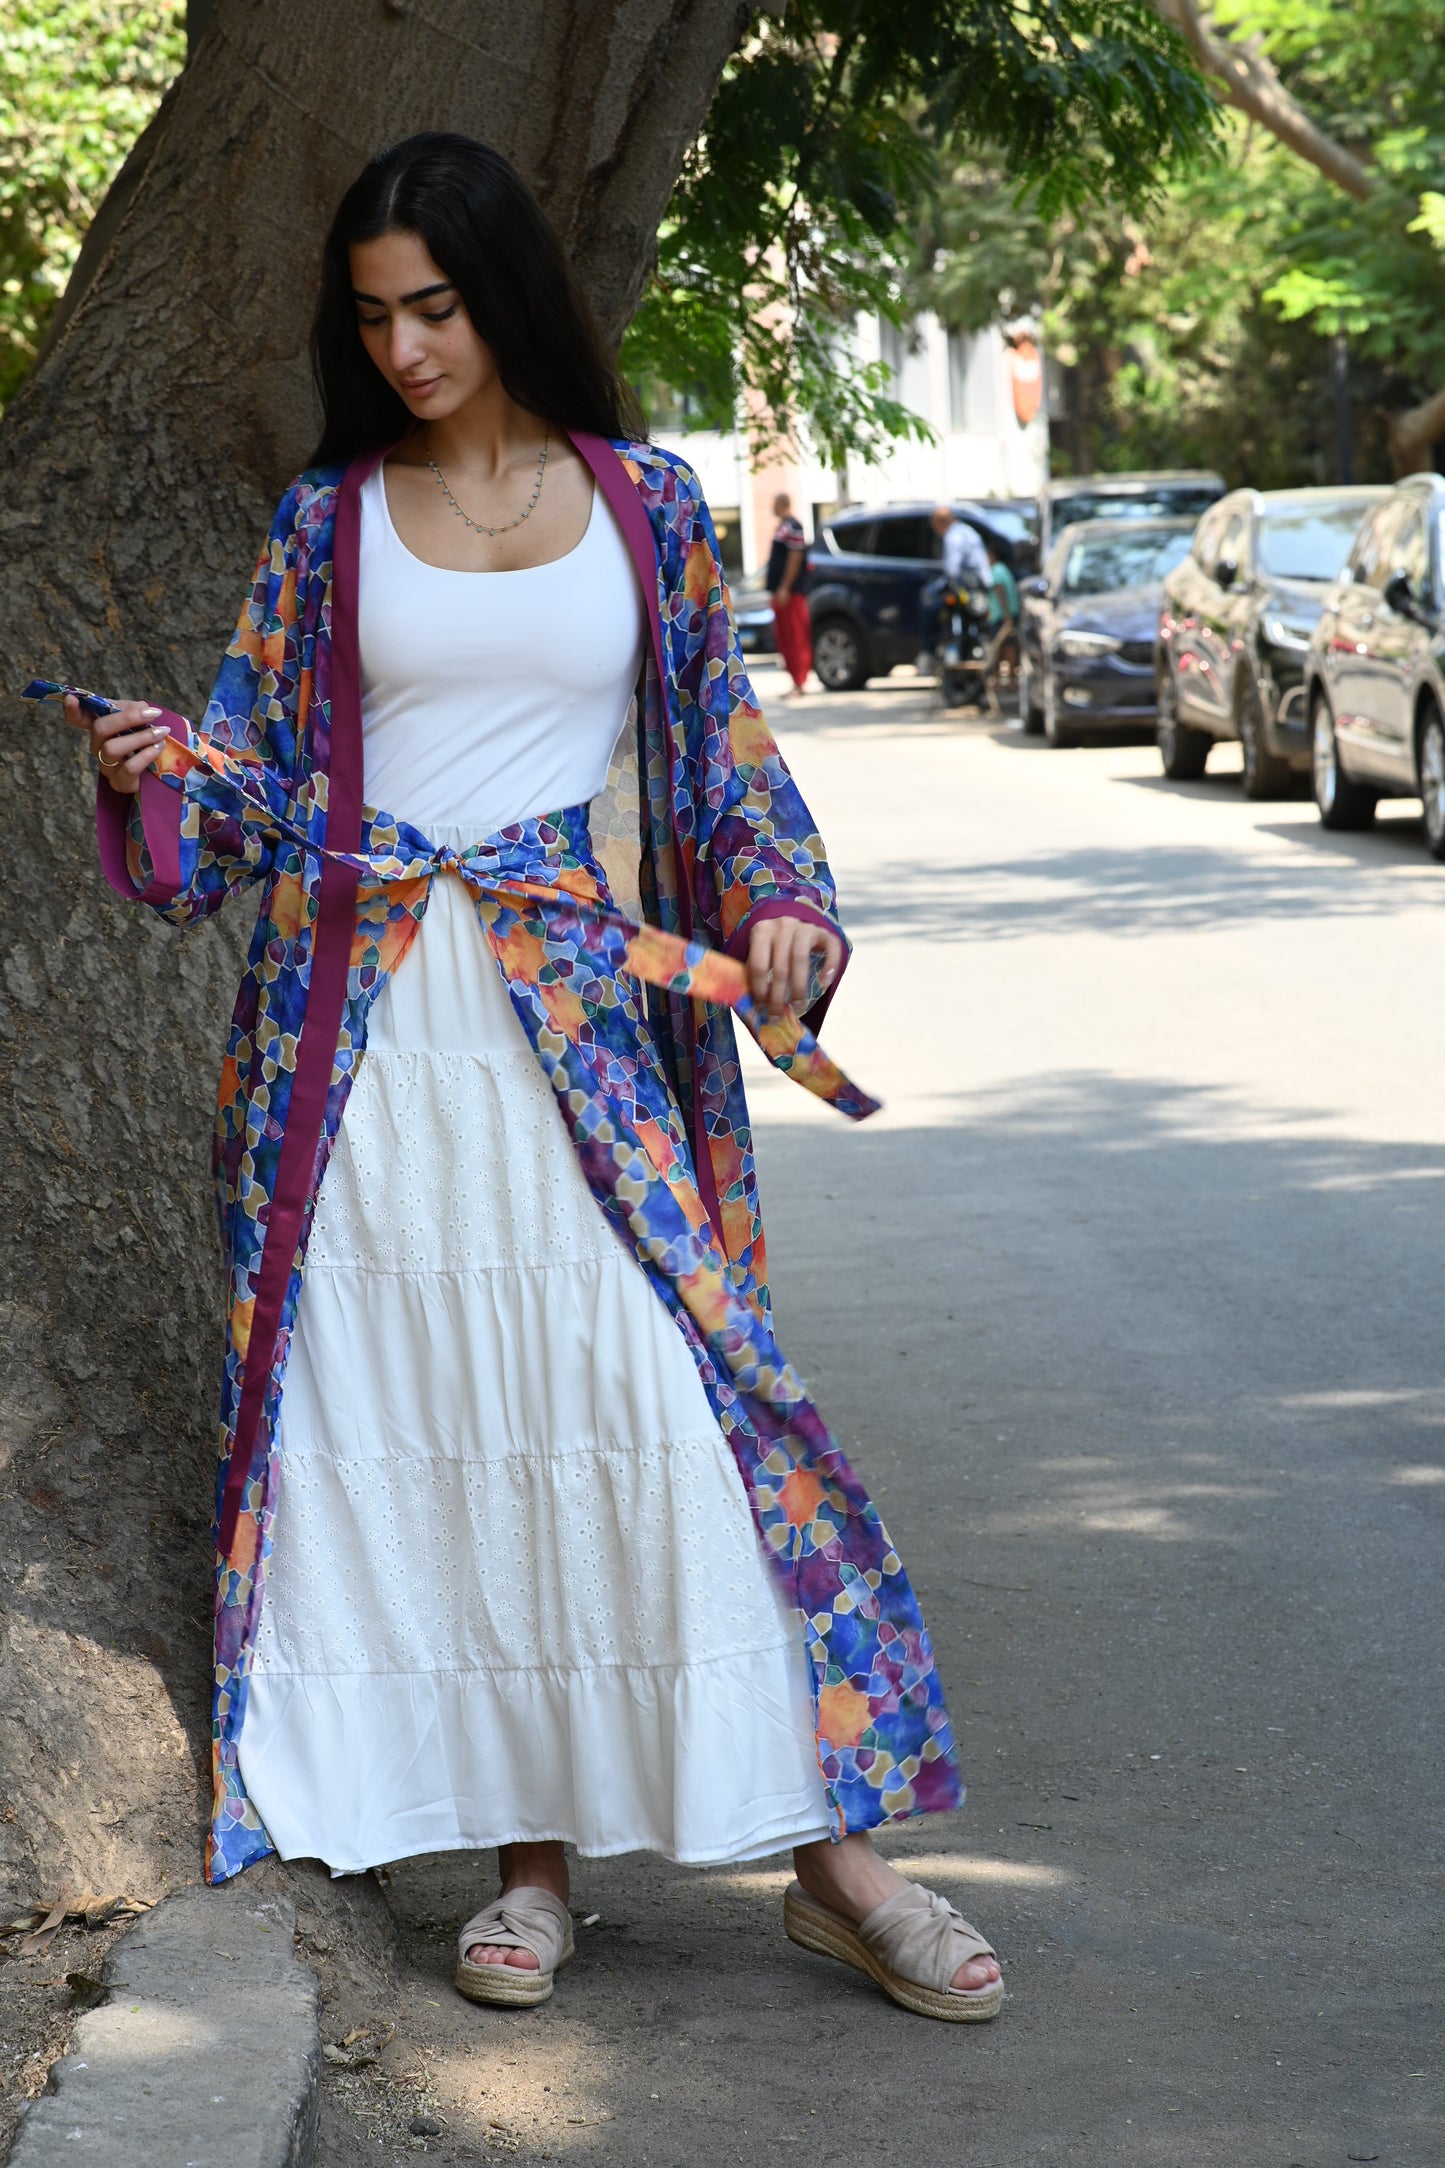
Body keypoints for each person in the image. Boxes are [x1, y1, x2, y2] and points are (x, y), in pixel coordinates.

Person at [63, 132, 1001, 2024]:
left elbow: (727, 771)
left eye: (437, 305)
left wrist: (793, 921)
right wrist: (154, 774)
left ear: (505, 295)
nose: (406, 347)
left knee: (670, 1414)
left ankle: (838, 1861)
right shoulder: (326, 527)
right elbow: (243, 803)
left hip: (585, 1030)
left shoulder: (648, 502)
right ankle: (526, 1868)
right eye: (374, 317)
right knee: (456, 1436)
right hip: (359, 1062)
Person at [918, 504, 991, 669]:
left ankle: (927, 651)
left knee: (926, 598)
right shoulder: (969, 532)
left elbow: (952, 571)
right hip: (980, 590)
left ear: (937, 524)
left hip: (964, 590)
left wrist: (940, 587)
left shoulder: (952, 537)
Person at [767, 492, 812, 696]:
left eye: (775, 503)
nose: (772, 507)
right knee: (784, 638)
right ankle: (795, 681)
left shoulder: (794, 526)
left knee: (796, 637)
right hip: (780, 593)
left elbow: (795, 557)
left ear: (782, 504)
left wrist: (785, 586)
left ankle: (801, 682)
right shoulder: (783, 527)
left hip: (791, 593)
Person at [982, 536, 1021, 718]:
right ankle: (1009, 681)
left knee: (1001, 650)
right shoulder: (1004, 569)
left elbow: (1000, 591)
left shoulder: (996, 571)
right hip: (1006, 615)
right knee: (1008, 648)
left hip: (1000, 617)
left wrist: (1005, 616)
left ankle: (1001, 681)